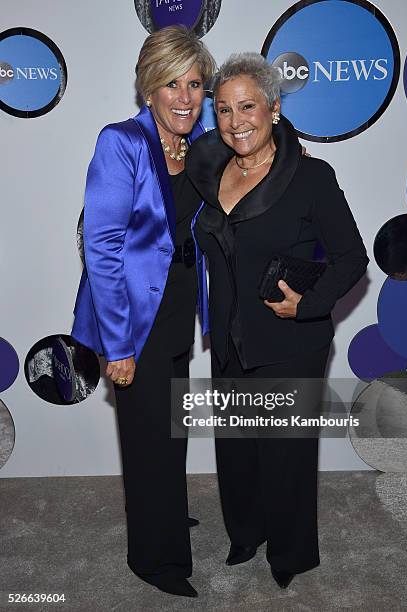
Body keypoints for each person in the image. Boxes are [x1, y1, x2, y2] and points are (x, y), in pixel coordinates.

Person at [185, 52, 369, 589]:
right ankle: (246, 531)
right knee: (237, 446)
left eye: (247, 106)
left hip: (290, 337)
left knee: (286, 455)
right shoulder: (209, 171)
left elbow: (351, 259)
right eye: (222, 109)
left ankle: (290, 553)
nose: (236, 120)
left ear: (275, 108)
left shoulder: (310, 176)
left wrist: (307, 305)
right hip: (229, 336)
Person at [71, 26, 215, 598]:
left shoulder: (199, 146)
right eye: (171, 84)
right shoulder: (121, 142)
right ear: (148, 89)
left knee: (168, 431)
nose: (184, 97)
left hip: (179, 311)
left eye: (195, 84)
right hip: (133, 318)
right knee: (147, 436)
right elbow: (101, 247)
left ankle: (166, 513)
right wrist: (119, 345)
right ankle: (153, 559)